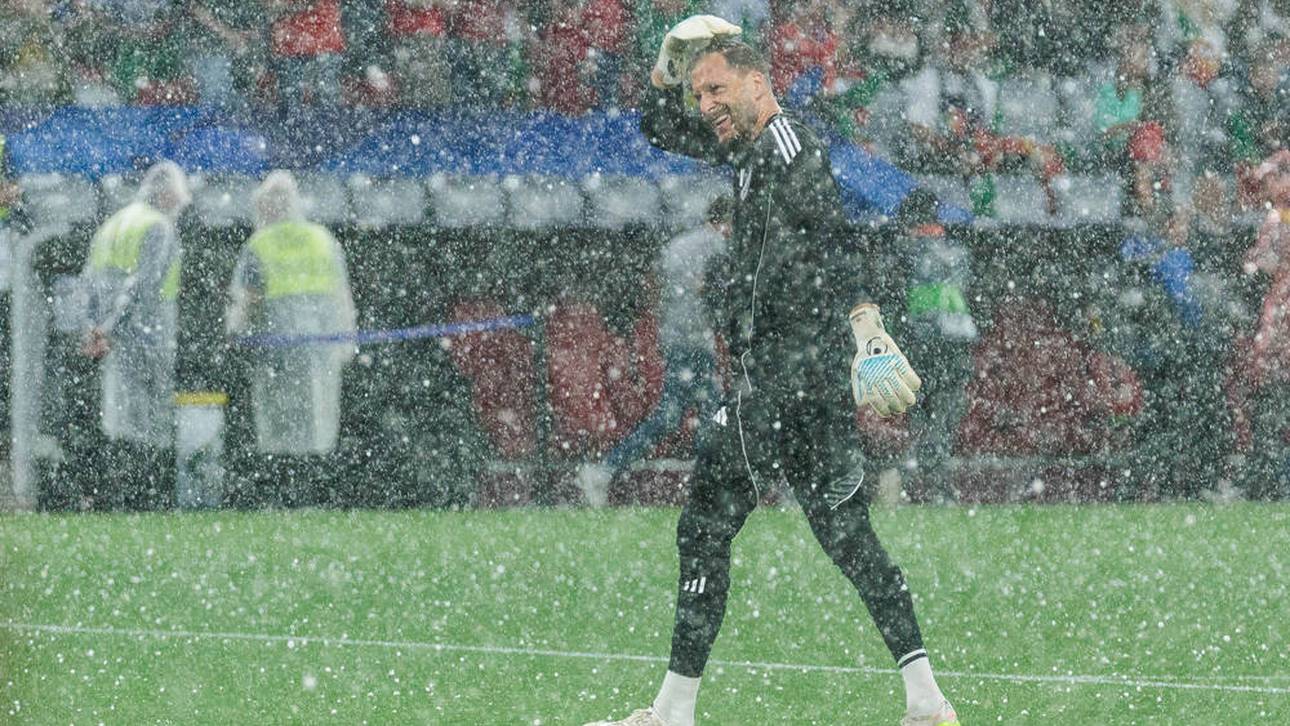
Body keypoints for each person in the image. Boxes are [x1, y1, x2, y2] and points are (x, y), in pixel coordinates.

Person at [587, 19, 957, 726]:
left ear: (758, 82)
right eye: (700, 94)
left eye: (716, 89)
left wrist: (865, 323)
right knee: (848, 538)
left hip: (784, 383)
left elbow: (830, 237)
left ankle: (672, 712)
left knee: (703, 528)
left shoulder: (787, 146)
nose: (706, 106)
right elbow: (660, 130)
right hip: (799, 386)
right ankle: (926, 698)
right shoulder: (748, 150)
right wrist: (668, 70)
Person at [574, 195, 733, 506]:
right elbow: (711, 292)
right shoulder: (713, 247)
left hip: (676, 338)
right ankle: (713, 480)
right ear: (724, 222)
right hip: (693, 340)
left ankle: (606, 468)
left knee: (691, 412)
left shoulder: (679, 245)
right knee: (707, 412)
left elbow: (659, 289)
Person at [225, 170, 356, 507]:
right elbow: (342, 295)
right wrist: (345, 342)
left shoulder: (260, 243)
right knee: (318, 423)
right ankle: (319, 496)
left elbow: (249, 298)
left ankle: (284, 498)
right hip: (321, 350)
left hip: (277, 352)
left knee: (279, 429)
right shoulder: (323, 239)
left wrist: (235, 334)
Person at [79, 160, 191, 510]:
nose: (180, 202)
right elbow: (143, 284)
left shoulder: (112, 225)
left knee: (119, 415)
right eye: (176, 193)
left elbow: (87, 286)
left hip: (111, 338)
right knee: (150, 418)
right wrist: (111, 329)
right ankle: (149, 499)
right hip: (145, 334)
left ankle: (119, 499)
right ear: (163, 191)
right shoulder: (157, 227)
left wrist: (93, 330)